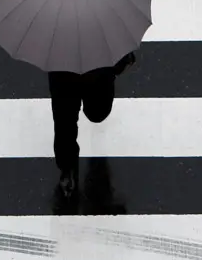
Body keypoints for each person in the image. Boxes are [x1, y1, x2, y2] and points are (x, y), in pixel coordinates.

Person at [47, 51, 136, 197]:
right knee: (67, 119)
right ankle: (67, 168)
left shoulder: (53, 32)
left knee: (80, 116)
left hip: (72, 68)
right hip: (76, 70)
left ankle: (67, 169)